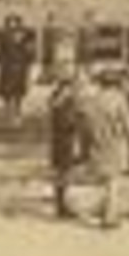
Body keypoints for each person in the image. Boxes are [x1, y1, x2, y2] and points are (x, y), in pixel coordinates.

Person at [74, 65, 129, 228]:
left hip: (97, 142)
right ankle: (110, 217)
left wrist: (84, 146)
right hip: (115, 142)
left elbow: (84, 124)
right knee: (113, 181)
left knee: (106, 179)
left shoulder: (93, 101)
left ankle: (104, 209)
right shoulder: (119, 99)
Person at [46, 63, 84, 219]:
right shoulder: (65, 101)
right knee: (64, 172)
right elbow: (68, 122)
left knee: (62, 172)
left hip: (58, 139)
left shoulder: (56, 97)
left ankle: (61, 203)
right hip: (65, 140)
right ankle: (62, 205)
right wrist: (78, 120)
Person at [0, 14, 35, 121]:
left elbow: (30, 47)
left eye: (15, 23)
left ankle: (17, 112)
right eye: (10, 23)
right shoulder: (5, 35)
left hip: (19, 68)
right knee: (6, 91)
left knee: (18, 92)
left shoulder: (24, 35)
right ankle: (8, 109)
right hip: (7, 67)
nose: (13, 25)